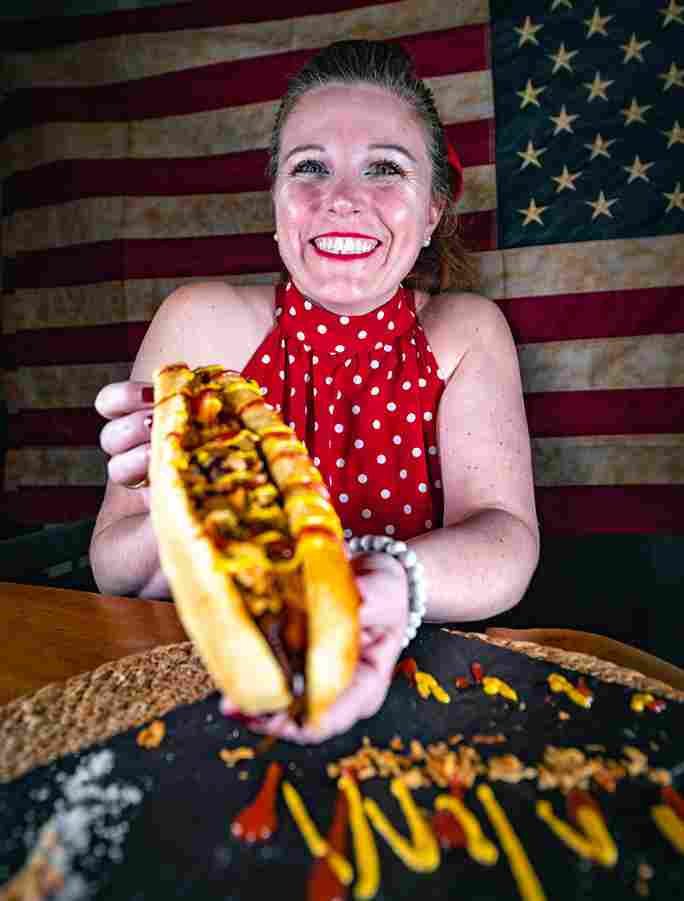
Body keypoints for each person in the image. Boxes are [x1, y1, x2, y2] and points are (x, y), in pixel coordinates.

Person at [91, 40, 539, 742]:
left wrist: (379, 582)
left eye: (385, 168)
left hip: (416, 687)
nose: (341, 199)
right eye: (310, 168)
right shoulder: (196, 320)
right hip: (203, 690)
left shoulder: (468, 331)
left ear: (431, 216)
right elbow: (112, 569)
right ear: (276, 207)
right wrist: (183, 505)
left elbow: (506, 542)